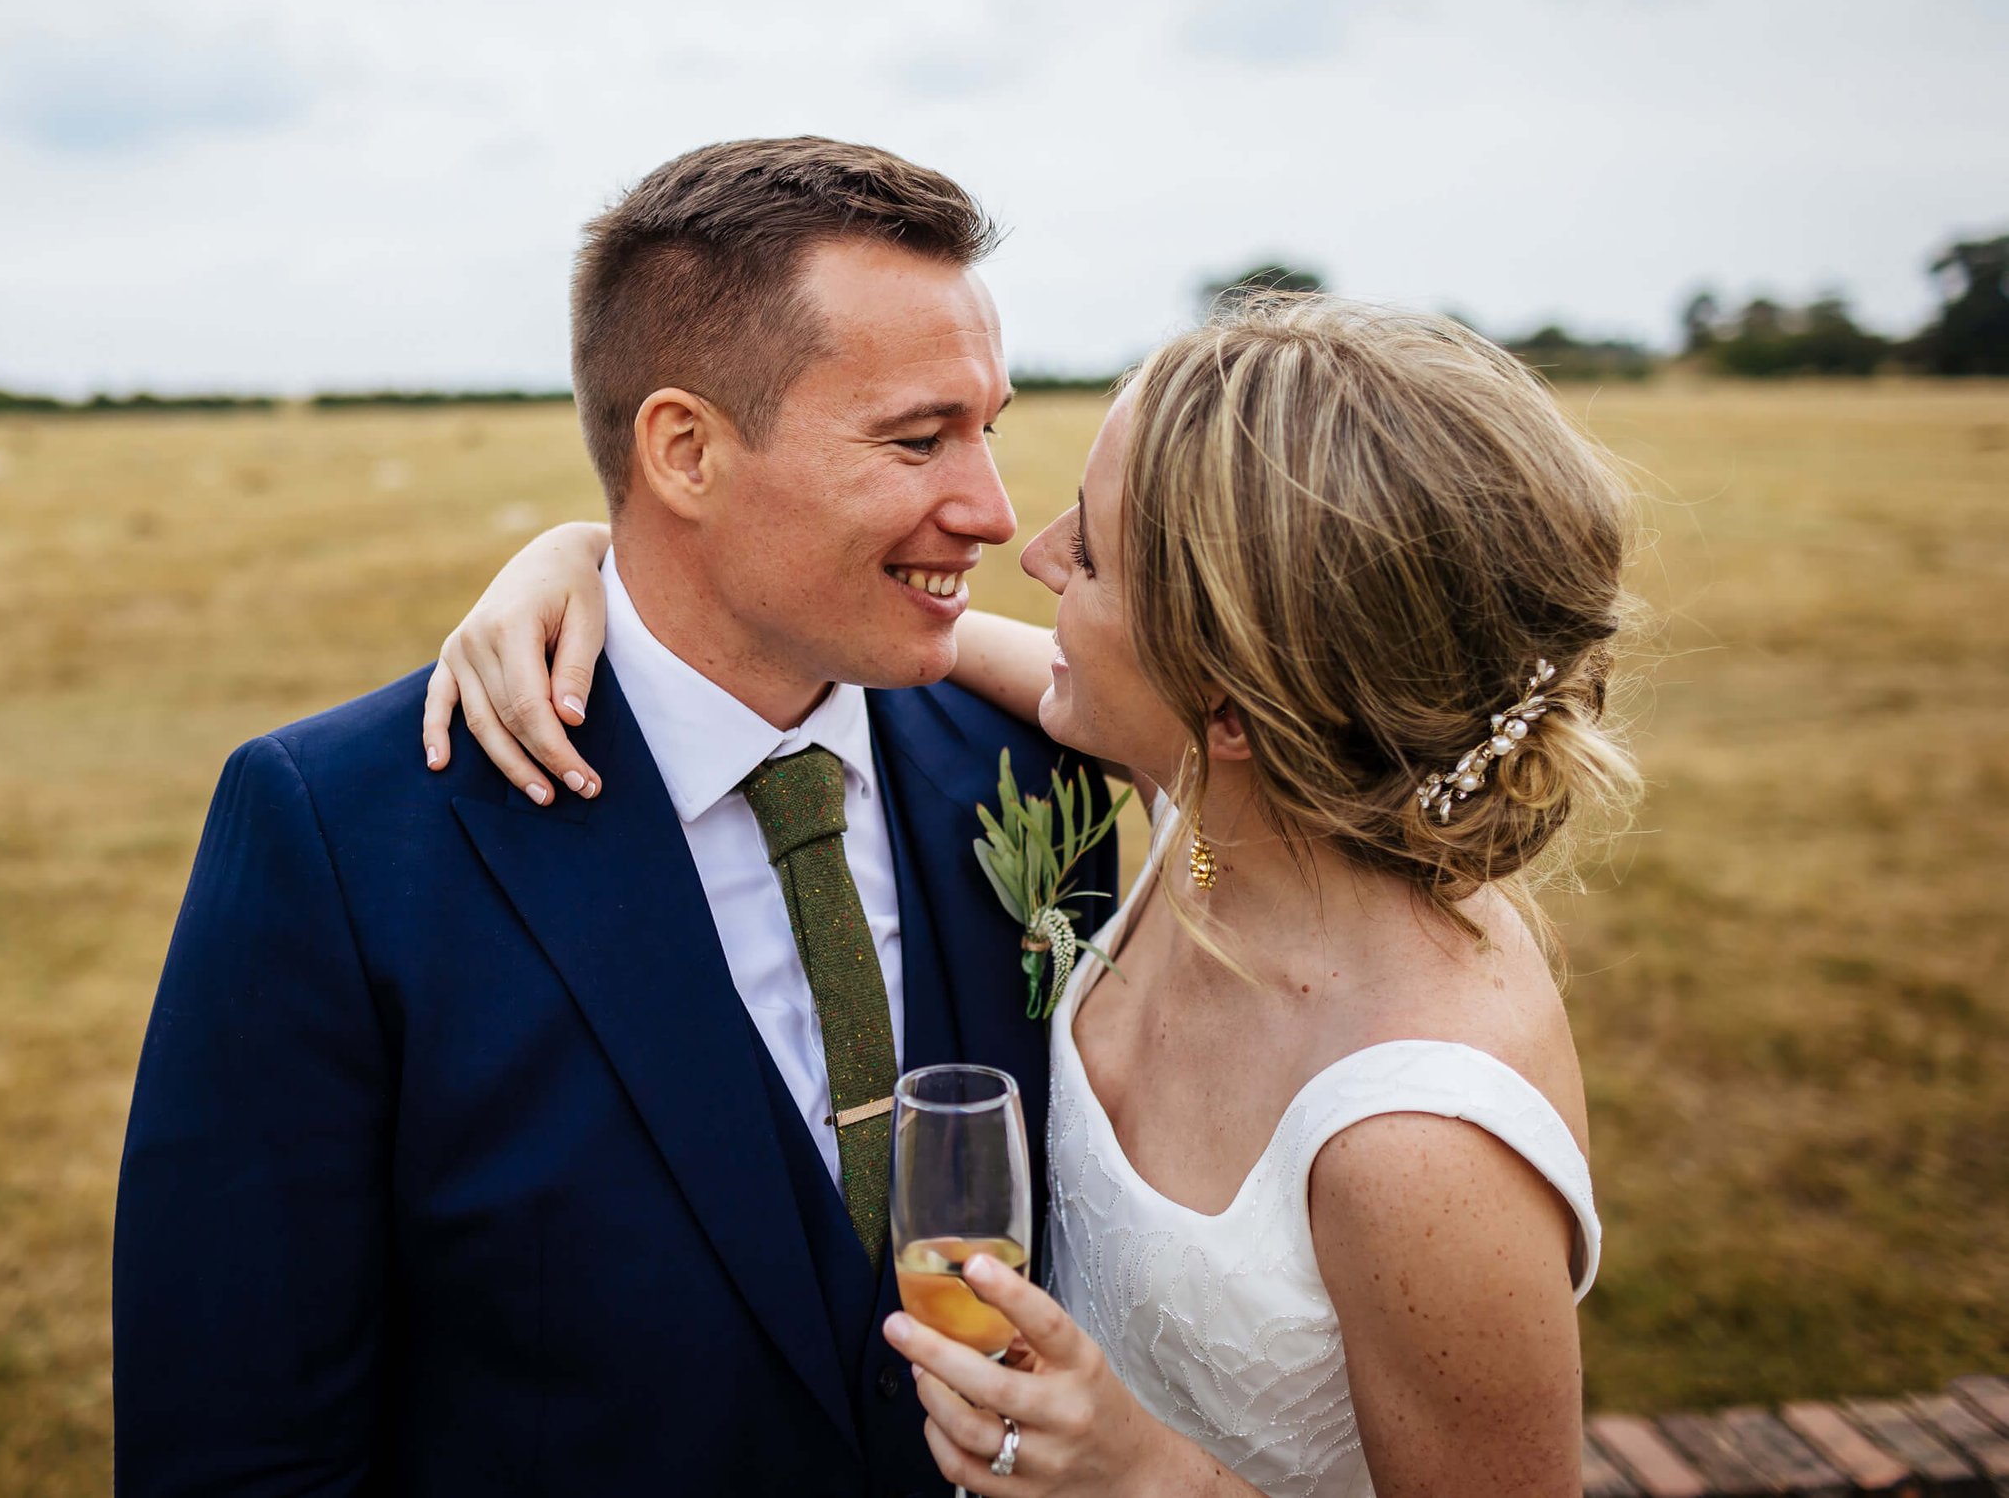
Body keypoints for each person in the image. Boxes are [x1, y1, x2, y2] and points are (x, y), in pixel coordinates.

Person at [433, 293, 1642, 1496]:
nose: (1037, 550)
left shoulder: (1416, 1138)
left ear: (1228, 701)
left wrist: (1146, 1475)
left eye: (1096, 556)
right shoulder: (1218, 827)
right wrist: (591, 557)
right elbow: (918, 637)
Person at [112, 136, 1118, 1495]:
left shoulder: (1036, 765)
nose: (993, 509)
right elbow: (241, 1445)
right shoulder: (340, 837)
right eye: (918, 436)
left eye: (986, 426)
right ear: (686, 448)